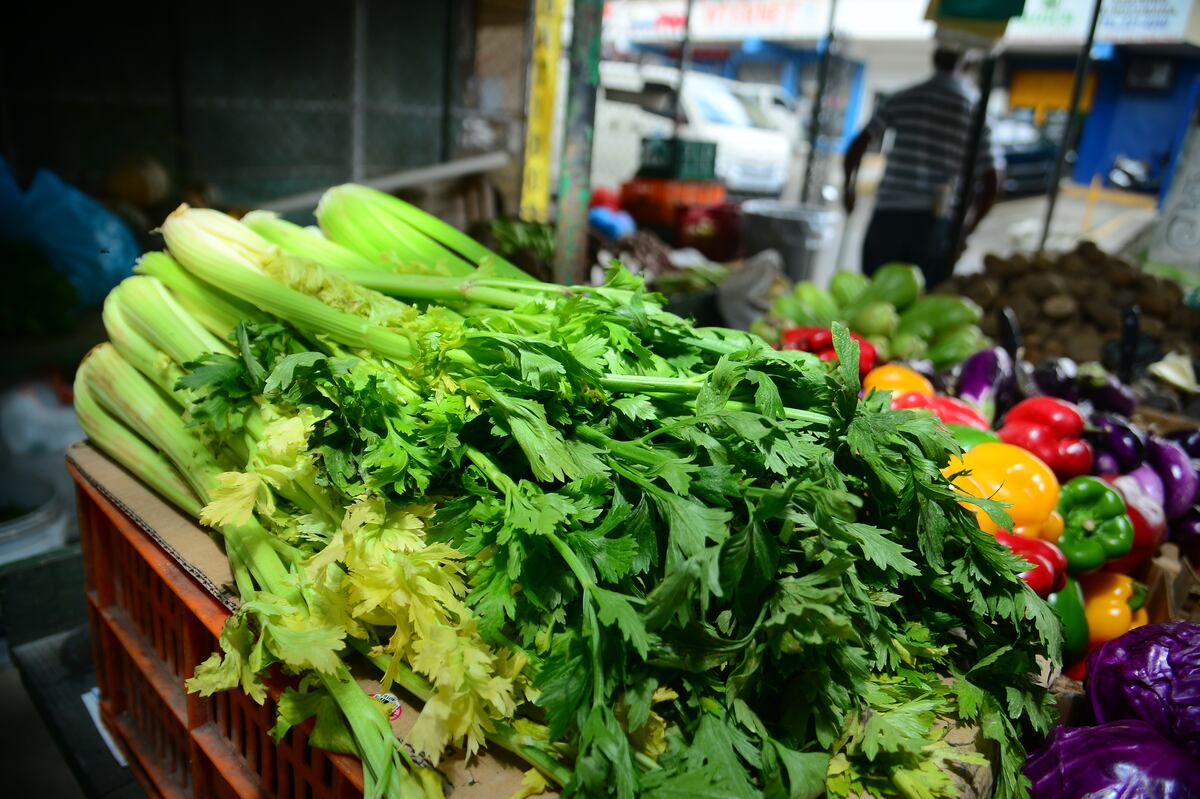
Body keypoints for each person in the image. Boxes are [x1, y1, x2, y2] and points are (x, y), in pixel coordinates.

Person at [842, 46, 1003, 287]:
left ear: (935, 58)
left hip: (889, 217)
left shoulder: (903, 98)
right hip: (935, 224)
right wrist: (967, 230)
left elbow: (858, 145)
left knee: (872, 292)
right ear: (967, 65)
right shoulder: (975, 113)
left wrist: (849, 188)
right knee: (922, 297)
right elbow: (992, 181)